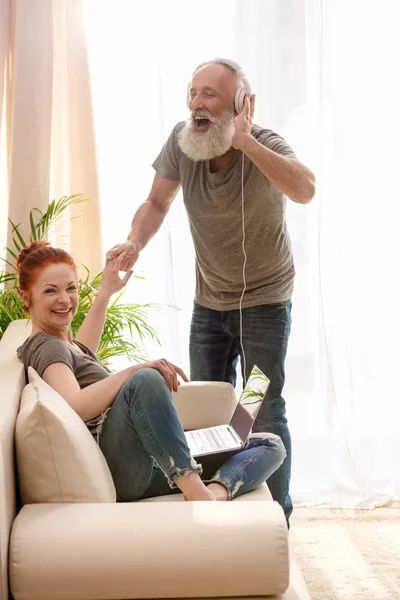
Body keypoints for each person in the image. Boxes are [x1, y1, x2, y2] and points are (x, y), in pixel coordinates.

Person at [106, 58, 316, 522]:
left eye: (211, 95)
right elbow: (157, 201)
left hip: (263, 305)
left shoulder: (265, 144)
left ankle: (277, 517)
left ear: (242, 104)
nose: (197, 104)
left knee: (259, 407)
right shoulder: (183, 143)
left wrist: (245, 141)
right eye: (194, 92)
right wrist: (134, 242)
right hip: (210, 308)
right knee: (211, 410)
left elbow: (305, 189)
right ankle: (223, 503)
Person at [16, 240, 286, 502]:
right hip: (123, 471)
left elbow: (84, 347)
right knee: (144, 378)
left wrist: (106, 291)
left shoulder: (67, 344)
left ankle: (217, 491)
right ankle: (197, 493)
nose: (64, 300)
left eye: (71, 288)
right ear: (26, 298)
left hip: (141, 463)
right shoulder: (47, 346)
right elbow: (73, 406)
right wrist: (134, 370)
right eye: (50, 291)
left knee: (269, 444)